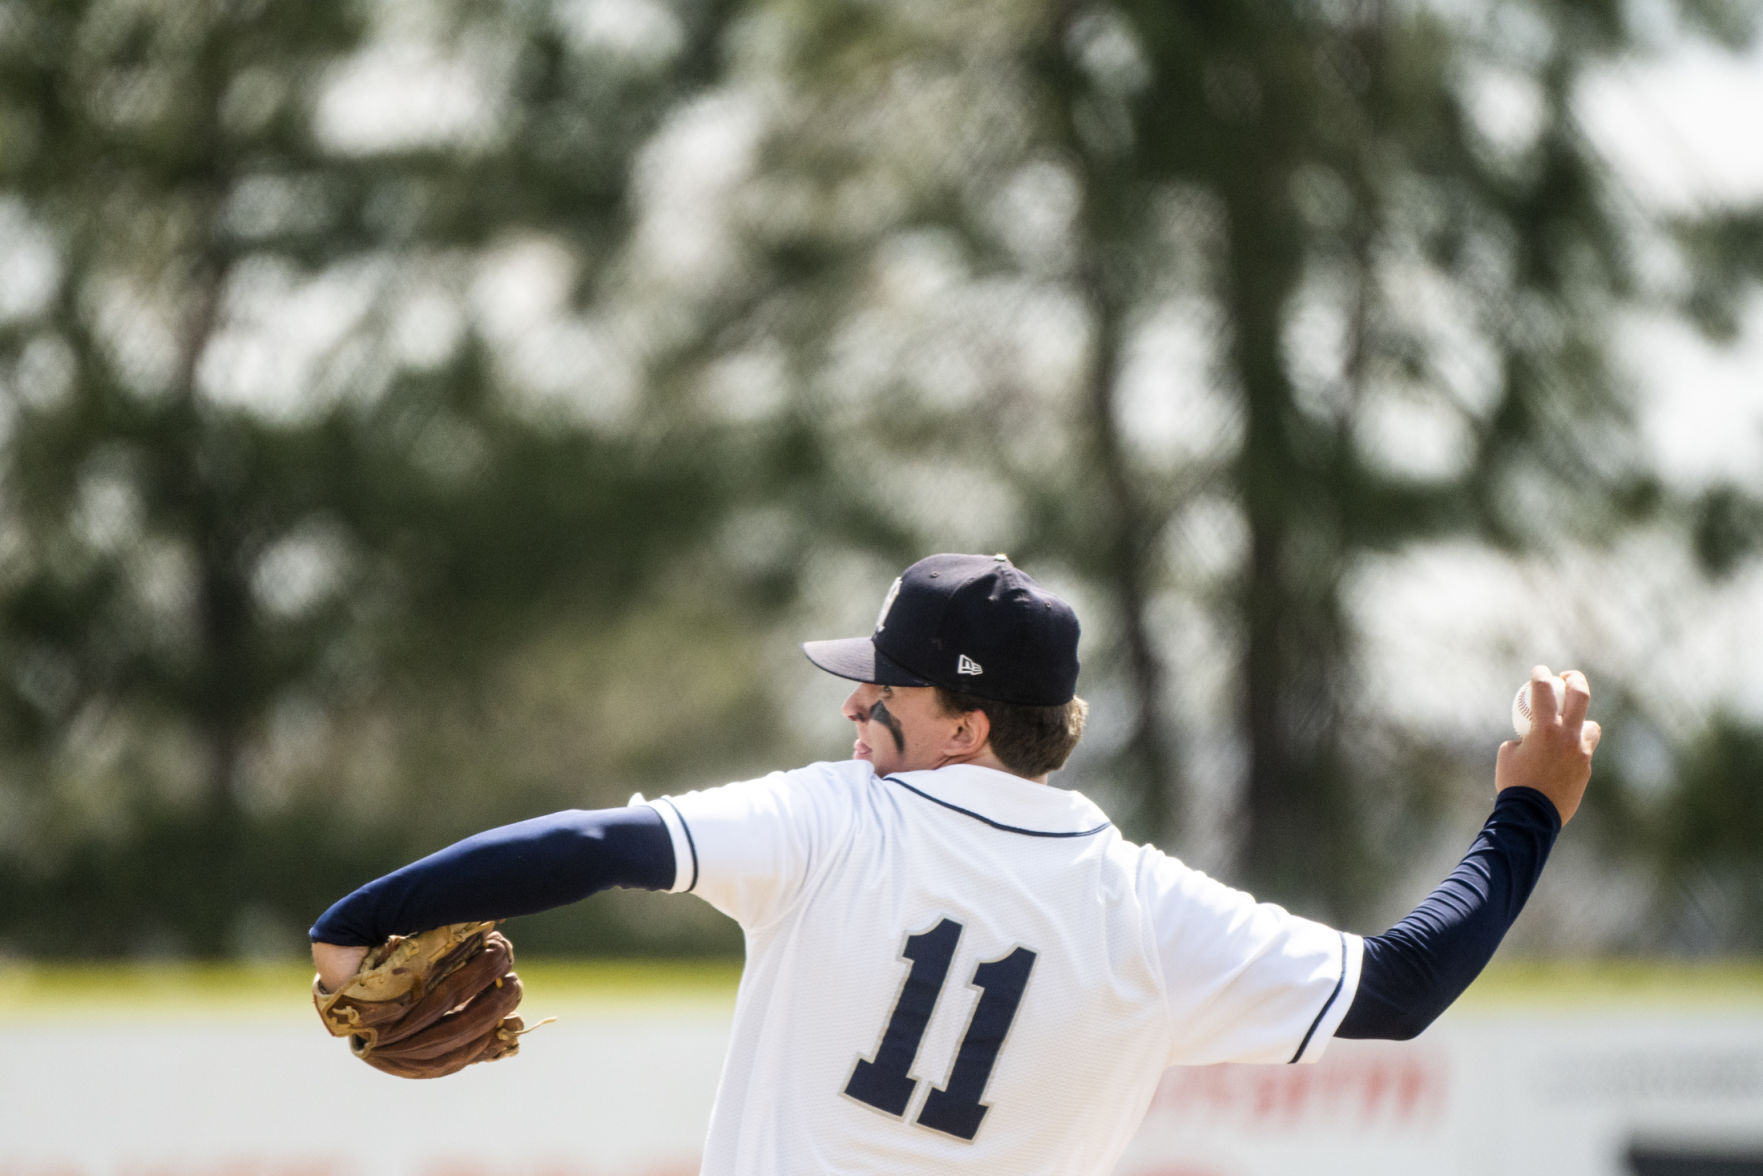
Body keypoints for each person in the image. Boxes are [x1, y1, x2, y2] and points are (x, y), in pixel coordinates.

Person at [311, 552, 1600, 1174]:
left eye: (885, 693)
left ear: (969, 726)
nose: (854, 711)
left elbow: (591, 846)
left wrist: (357, 920)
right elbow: (1402, 986)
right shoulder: (1145, 910)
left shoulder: (836, 823)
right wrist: (1526, 811)